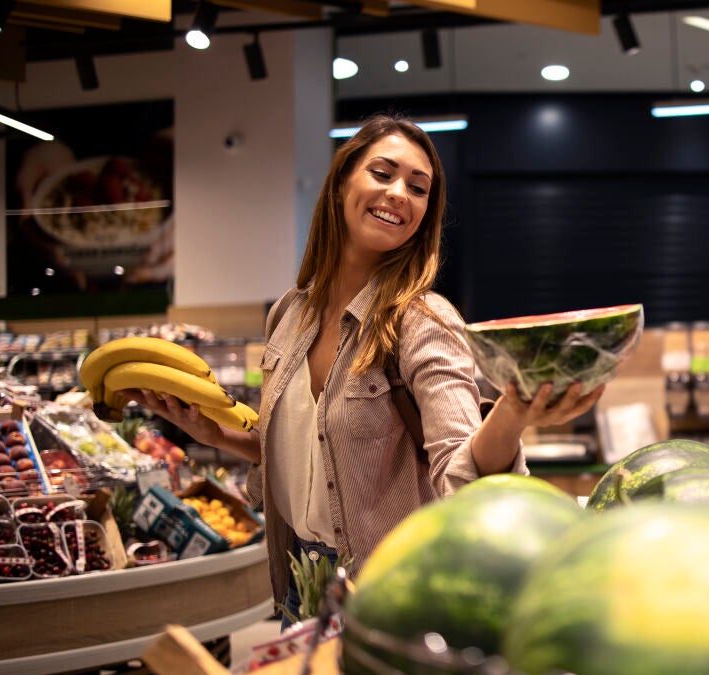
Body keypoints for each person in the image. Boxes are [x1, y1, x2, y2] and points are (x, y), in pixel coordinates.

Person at [121, 113, 604, 627]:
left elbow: (461, 474)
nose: (399, 193)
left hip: (390, 594)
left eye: (418, 188)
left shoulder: (422, 321)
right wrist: (220, 436)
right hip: (299, 582)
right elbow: (308, 448)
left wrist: (510, 414)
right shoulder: (288, 314)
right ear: (340, 184)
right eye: (383, 173)